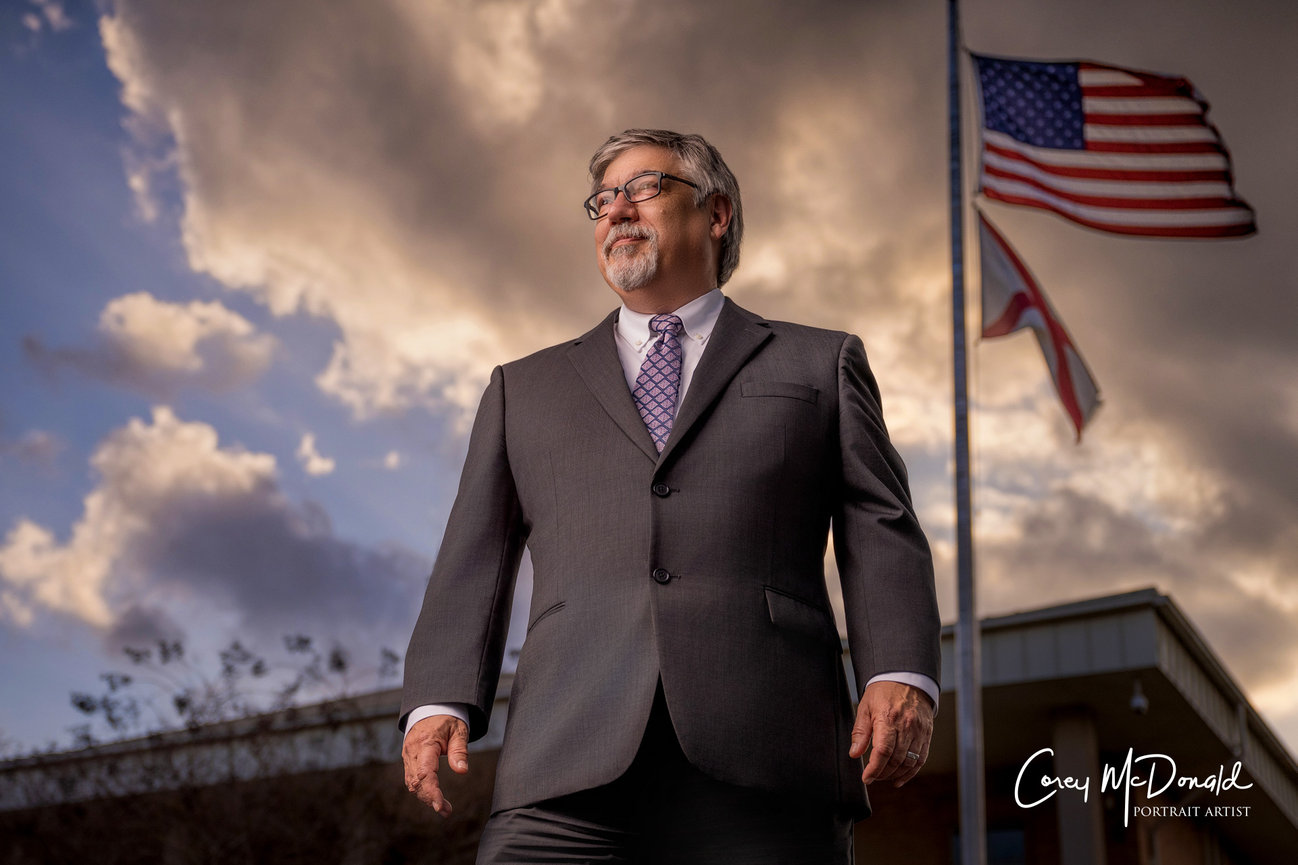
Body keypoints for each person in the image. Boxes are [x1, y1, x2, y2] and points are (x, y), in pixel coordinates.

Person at [401, 129, 940, 864]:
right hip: (564, 764)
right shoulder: (521, 389)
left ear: (715, 214)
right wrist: (437, 698)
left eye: (644, 188)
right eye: (602, 199)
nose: (617, 208)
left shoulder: (820, 362)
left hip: (768, 759)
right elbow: (472, 557)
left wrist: (898, 670)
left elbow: (880, 525)